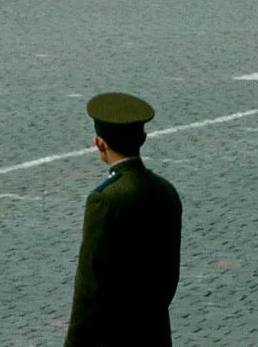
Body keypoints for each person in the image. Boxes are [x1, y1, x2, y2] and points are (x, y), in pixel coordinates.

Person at [66, 92, 180, 346]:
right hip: (154, 332)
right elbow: (169, 274)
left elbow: (89, 288)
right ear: (143, 138)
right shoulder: (166, 191)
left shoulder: (104, 199)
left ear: (100, 144)